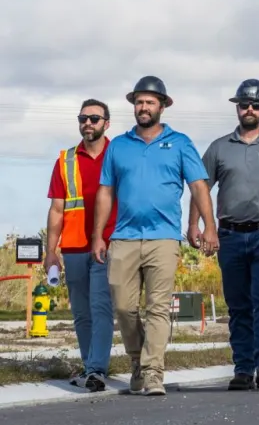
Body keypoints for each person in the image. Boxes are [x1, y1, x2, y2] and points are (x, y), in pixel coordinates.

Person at [92, 76, 215, 397]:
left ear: (162, 105)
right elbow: (105, 192)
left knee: (158, 308)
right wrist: (97, 236)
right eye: (139, 102)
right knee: (123, 307)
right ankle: (137, 362)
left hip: (163, 238)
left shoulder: (180, 143)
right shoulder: (118, 145)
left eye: (149, 102)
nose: (143, 107)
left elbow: (199, 186)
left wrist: (209, 226)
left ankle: (152, 374)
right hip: (123, 238)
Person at [194, 79, 259, 391]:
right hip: (230, 236)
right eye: (245, 104)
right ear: (237, 107)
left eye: (256, 105)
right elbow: (200, 188)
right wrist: (197, 225)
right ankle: (243, 368)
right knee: (237, 304)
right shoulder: (220, 147)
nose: (250, 109)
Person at [42, 99, 118, 393]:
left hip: (108, 245)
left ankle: (97, 369)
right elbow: (57, 210)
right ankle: (91, 368)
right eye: (83, 118)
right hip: (73, 247)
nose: (88, 123)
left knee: (101, 307)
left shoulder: (119, 154)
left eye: (94, 118)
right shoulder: (65, 160)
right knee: (82, 313)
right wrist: (51, 251)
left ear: (106, 123)